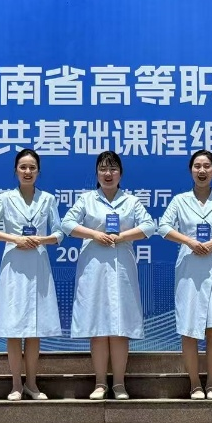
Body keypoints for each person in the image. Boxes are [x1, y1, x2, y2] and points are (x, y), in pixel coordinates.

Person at [61, 151, 156, 400]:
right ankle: (100, 383)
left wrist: (122, 236)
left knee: (120, 327)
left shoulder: (131, 201)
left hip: (122, 268)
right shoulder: (87, 199)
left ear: (120, 174)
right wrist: (94, 234)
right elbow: (67, 224)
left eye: (113, 169)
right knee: (98, 326)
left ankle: (120, 384)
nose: (108, 174)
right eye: (103, 169)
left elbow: (149, 226)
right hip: (94, 268)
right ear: (96, 173)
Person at [158, 150, 212, 400]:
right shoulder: (180, 200)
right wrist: (189, 241)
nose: (202, 171)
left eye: (207, 166)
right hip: (189, 266)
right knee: (189, 328)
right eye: (197, 166)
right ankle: (195, 384)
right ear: (191, 170)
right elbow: (163, 227)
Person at [0, 148, 64, 401]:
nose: (28, 171)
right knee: (14, 327)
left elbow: (59, 233)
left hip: (38, 264)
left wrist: (42, 239)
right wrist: (14, 238)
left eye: (32, 167)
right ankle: (16, 385)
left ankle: (32, 384)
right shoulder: (5, 198)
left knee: (34, 329)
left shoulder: (47, 199)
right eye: (23, 167)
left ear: (39, 171)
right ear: (15, 170)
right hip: (14, 265)